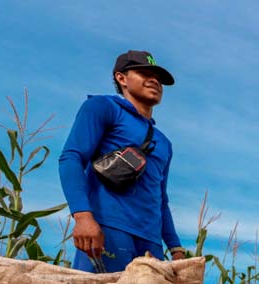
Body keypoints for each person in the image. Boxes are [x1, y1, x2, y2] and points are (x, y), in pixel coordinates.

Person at [59, 50, 186, 272]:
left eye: (158, 78)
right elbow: (72, 157)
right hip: (108, 229)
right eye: (144, 73)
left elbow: (161, 198)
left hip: (151, 243)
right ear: (121, 78)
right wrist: (83, 217)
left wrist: (175, 248)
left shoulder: (164, 143)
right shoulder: (103, 107)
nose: (154, 81)